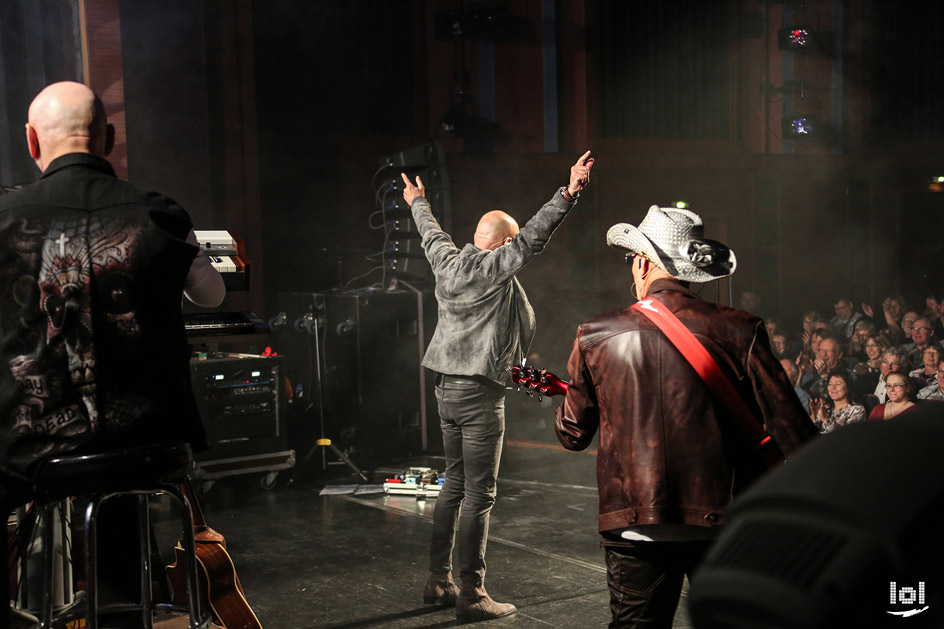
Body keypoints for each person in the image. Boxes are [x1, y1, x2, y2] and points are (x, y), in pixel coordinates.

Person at [0, 82, 224, 626]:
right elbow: (213, 296)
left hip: (32, 443)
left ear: (32, 141)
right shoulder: (161, 213)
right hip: (146, 440)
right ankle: (121, 609)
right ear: (110, 138)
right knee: (117, 483)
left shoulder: (5, 216)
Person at [553, 205, 817, 629]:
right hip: (722, 521)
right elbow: (793, 431)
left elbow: (572, 434)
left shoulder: (596, 334)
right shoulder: (741, 328)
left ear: (641, 263)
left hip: (636, 527)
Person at [401, 151, 594, 622]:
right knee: (478, 494)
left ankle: (437, 581)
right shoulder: (493, 269)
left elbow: (431, 235)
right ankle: (472, 591)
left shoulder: (448, 263)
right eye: (509, 248)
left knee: (453, 485)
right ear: (500, 247)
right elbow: (533, 237)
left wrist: (416, 202)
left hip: (445, 391)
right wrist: (568, 193)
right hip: (477, 397)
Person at [809, 369, 867, 433]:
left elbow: (844, 436)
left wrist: (825, 420)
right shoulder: (825, 407)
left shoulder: (857, 410)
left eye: (838, 384)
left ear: (848, 387)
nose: (833, 388)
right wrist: (814, 417)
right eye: (830, 384)